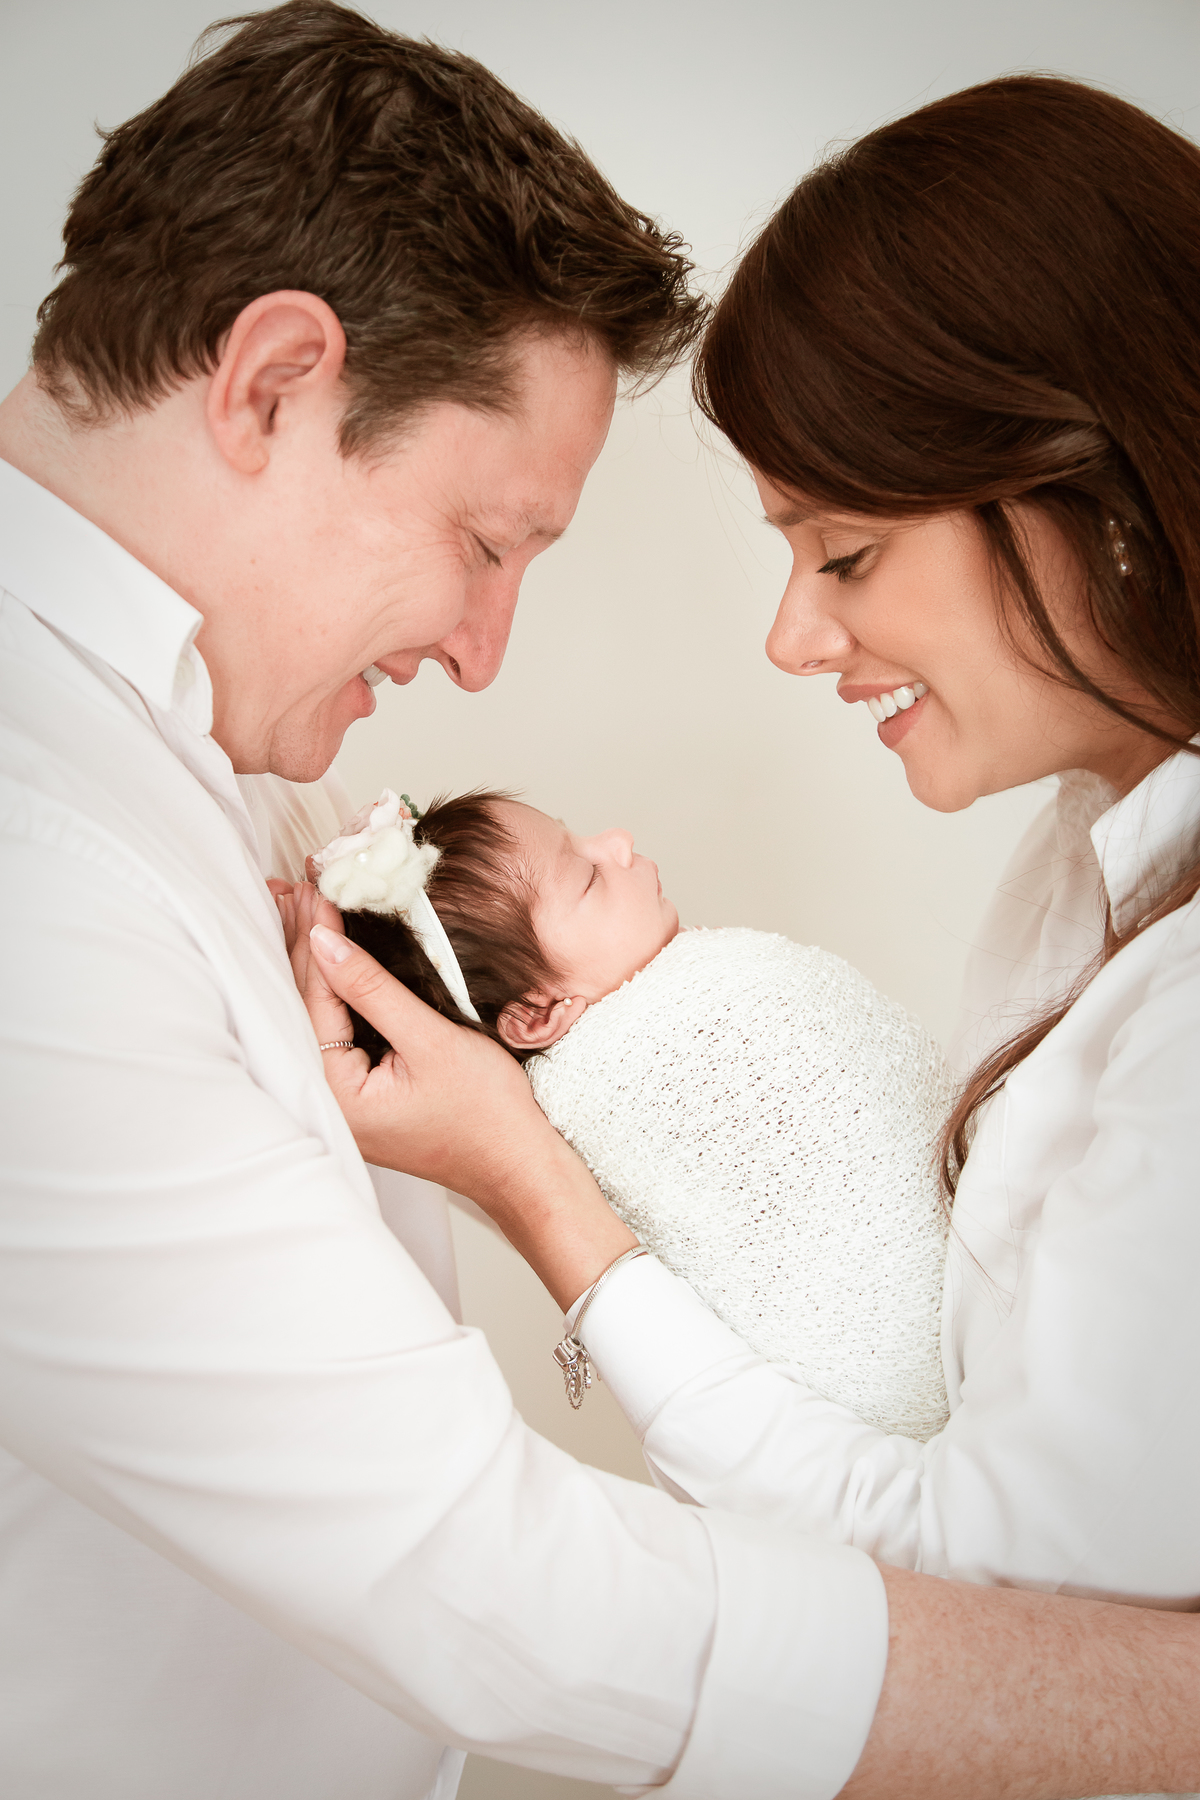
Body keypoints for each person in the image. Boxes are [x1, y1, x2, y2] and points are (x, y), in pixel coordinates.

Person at [293, 71, 1200, 1800]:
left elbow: (1011, 1636)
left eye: (843, 554)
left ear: (1094, 500)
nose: (793, 637)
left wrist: (537, 1194)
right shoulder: (1086, 862)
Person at [303, 783, 952, 1438]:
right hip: (889, 1377)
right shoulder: (652, 1054)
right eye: (587, 876)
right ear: (537, 1015)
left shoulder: (623, 1044)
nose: (617, 843)